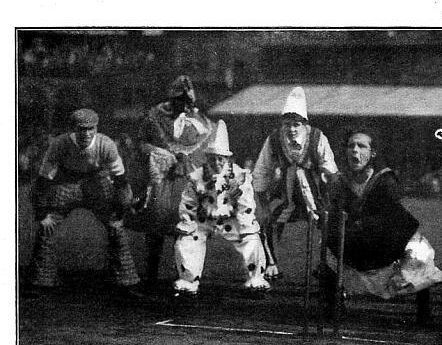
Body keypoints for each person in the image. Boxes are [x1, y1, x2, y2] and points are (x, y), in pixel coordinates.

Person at [326, 129, 442, 323]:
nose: (355, 150)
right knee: (326, 252)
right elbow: (335, 218)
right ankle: (333, 307)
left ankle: (424, 312)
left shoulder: (385, 180)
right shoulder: (340, 182)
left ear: (372, 153)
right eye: (351, 146)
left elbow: (393, 220)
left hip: (386, 243)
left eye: (361, 146)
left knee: (420, 250)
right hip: (356, 244)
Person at [30, 108, 140, 295]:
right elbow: (44, 178)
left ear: (96, 128)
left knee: (116, 226)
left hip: (96, 182)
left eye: (91, 129)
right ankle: (41, 281)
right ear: (73, 128)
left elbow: (120, 180)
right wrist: (42, 214)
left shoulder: (106, 144)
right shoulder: (60, 143)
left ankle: (126, 281)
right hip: (67, 181)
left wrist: (121, 211)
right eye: (82, 129)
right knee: (47, 226)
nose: (87, 134)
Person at [173, 120, 270, 297]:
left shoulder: (239, 176)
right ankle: (188, 281)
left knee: (251, 240)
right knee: (187, 241)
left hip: (231, 220)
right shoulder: (197, 177)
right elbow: (188, 202)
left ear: (227, 159)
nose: (217, 162)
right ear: (207, 158)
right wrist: (188, 221)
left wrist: (245, 222)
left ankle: (256, 279)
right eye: (212, 158)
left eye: (221, 158)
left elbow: (246, 202)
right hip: (204, 219)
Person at [252, 86, 338, 278]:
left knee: (332, 224)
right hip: (287, 196)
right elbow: (261, 170)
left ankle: (326, 265)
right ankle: (271, 264)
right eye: (287, 124)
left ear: (304, 124)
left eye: (296, 125)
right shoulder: (274, 139)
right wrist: (263, 204)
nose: (291, 129)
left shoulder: (317, 138)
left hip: (315, 196)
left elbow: (330, 169)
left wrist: (332, 199)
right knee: (264, 222)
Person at [139, 75, 216, 287]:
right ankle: (151, 276)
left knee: (184, 227)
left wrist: (190, 161)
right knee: (156, 222)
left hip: (186, 179)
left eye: (186, 101)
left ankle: (183, 275)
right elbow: (142, 142)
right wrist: (158, 153)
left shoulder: (200, 121)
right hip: (162, 178)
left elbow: (206, 148)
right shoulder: (155, 117)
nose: (183, 105)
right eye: (179, 100)